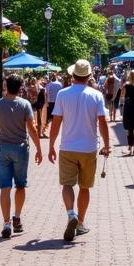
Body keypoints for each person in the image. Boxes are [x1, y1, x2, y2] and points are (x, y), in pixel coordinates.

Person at [48, 59, 110, 242]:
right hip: (89, 148)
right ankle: (81, 222)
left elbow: (56, 122)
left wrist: (51, 145)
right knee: (85, 187)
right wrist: (107, 145)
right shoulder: (96, 95)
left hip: (67, 146)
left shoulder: (62, 94)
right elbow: (102, 121)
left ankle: (70, 213)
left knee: (67, 184)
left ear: (72, 75)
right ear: (89, 76)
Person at [0, 74, 42, 239]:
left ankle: (6, 222)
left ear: (6, 86)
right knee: (20, 185)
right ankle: (17, 217)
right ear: (20, 87)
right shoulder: (24, 105)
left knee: (5, 187)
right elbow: (31, 129)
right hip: (20, 149)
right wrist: (38, 148)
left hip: (2, 148)